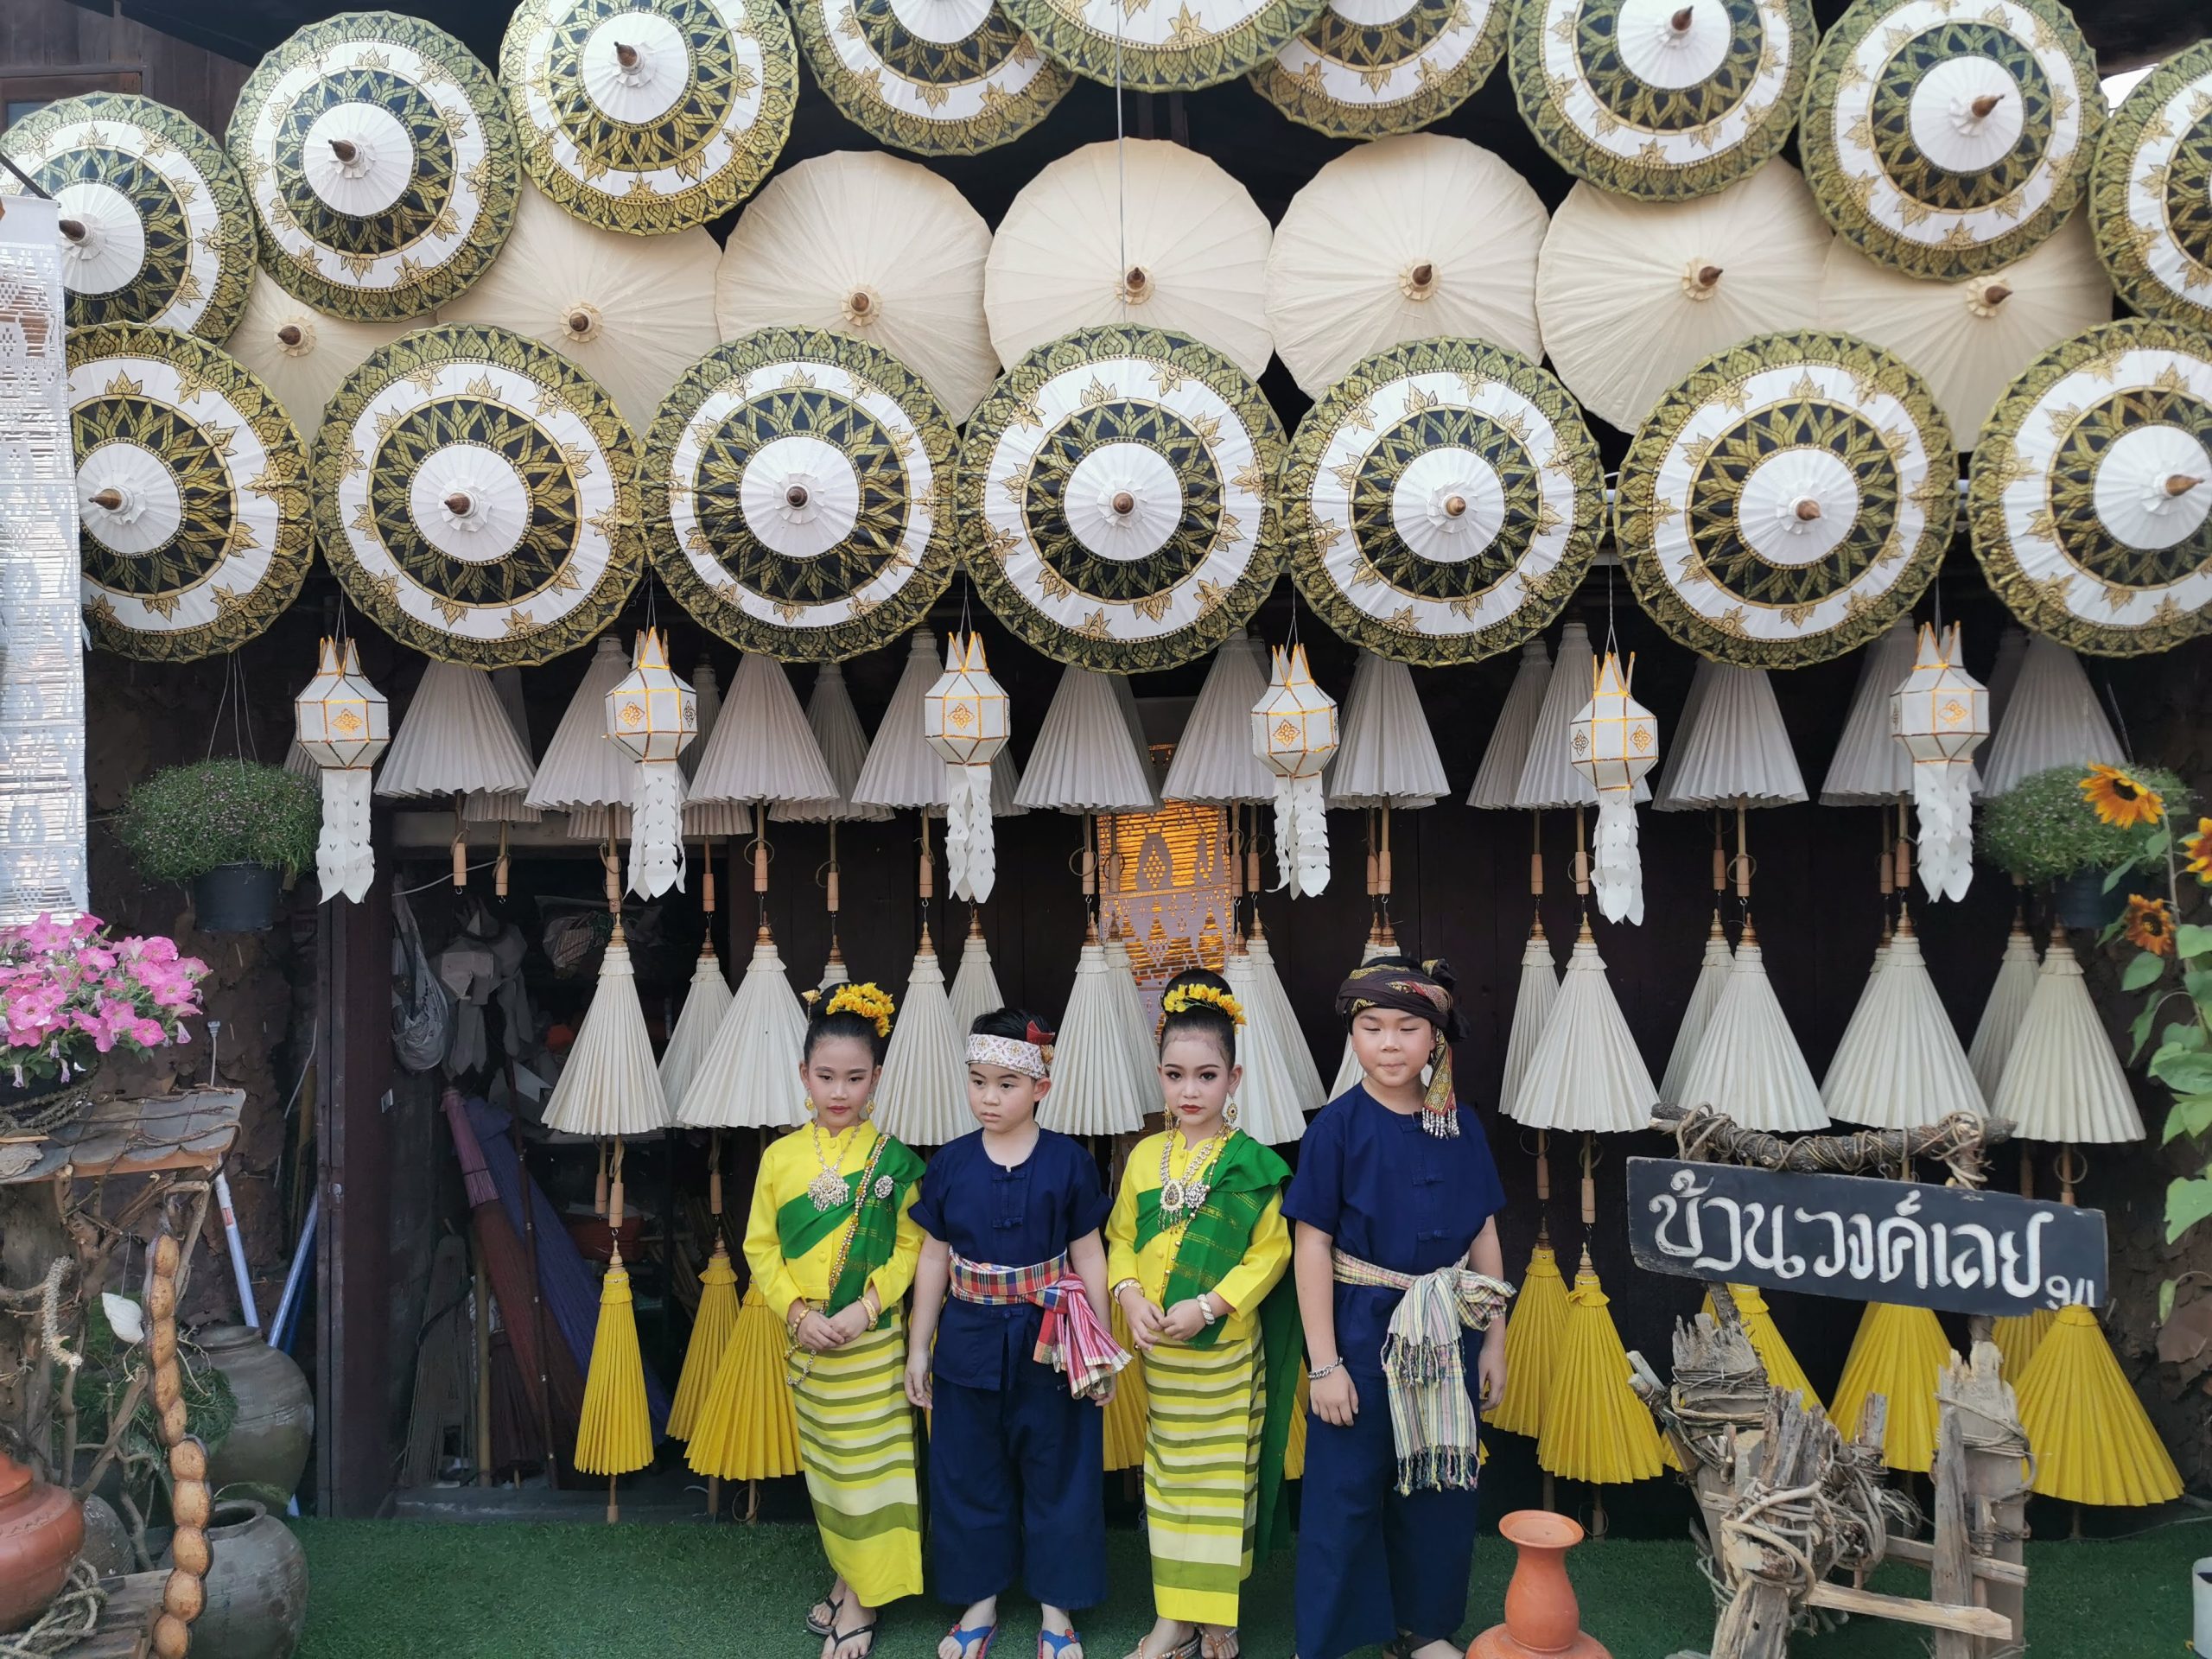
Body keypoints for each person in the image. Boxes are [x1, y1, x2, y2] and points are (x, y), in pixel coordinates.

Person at [1283, 957, 1514, 1659]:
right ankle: (1325, 1640)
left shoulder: (1462, 1126)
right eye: (1371, 1026)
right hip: (1360, 1332)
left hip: (1450, 1330)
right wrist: (1324, 1364)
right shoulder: (1336, 1129)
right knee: (1345, 1491)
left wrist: (1496, 1340)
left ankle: (1425, 1630)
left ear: (1435, 1038)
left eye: (1407, 1028)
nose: (1389, 1043)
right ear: (1352, 1036)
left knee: (1441, 1485)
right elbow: (1311, 1244)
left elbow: (1484, 1232)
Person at [906, 1007, 1126, 1659]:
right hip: (968, 1340)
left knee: (1060, 1469)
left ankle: (1058, 1612)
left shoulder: (1068, 1164)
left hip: (1054, 1341)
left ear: (1040, 1089)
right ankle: (980, 1601)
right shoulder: (947, 1165)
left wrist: (1101, 1352)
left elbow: (1089, 1255)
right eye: (977, 1081)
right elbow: (932, 1257)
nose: (989, 1097)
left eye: (1006, 1084)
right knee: (969, 1471)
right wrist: (920, 1346)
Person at [1106, 969, 1295, 1659]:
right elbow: (1120, 1237)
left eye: (1206, 1076)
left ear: (1233, 1079)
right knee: (1168, 1483)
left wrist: (1211, 1304)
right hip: (1162, 1358)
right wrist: (1128, 1294)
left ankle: (1217, 1617)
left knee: (1220, 1488)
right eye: (1176, 1075)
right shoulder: (1144, 1159)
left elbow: (1270, 1255)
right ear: (1159, 1075)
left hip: (1225, 1354)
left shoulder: (1251, 1166)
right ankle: (1171, 1619)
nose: (1190, 1091)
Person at [743, 982, 927, 1659]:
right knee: (828, 1473)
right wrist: (795, 1313)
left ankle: (864, 1601)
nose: (840, 1091)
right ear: (804, 1076)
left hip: (872, 1342)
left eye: (855, 1077)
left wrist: (867, 1307)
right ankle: (853, 1574)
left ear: (876, 1077)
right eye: (826, 1077)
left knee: (871, 1473)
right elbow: (761, 1247)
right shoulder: (779, 1160)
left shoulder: (896, 1163)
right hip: (810, 1346)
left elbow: (912, 1245)